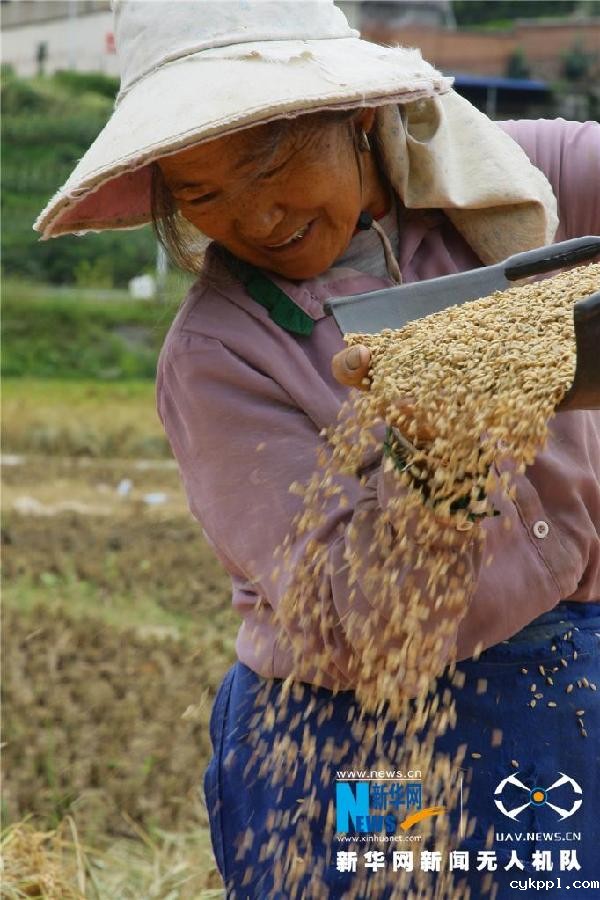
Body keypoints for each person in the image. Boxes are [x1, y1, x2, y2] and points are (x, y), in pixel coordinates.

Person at [35, 2, 600, 897]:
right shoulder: (221, 355)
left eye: (272, 162)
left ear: (357, 117)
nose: (256, 216)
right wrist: (438, 475)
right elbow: (359, 628)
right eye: (202, 194)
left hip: (559, 683)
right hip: (353, 737)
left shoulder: (507, 185)